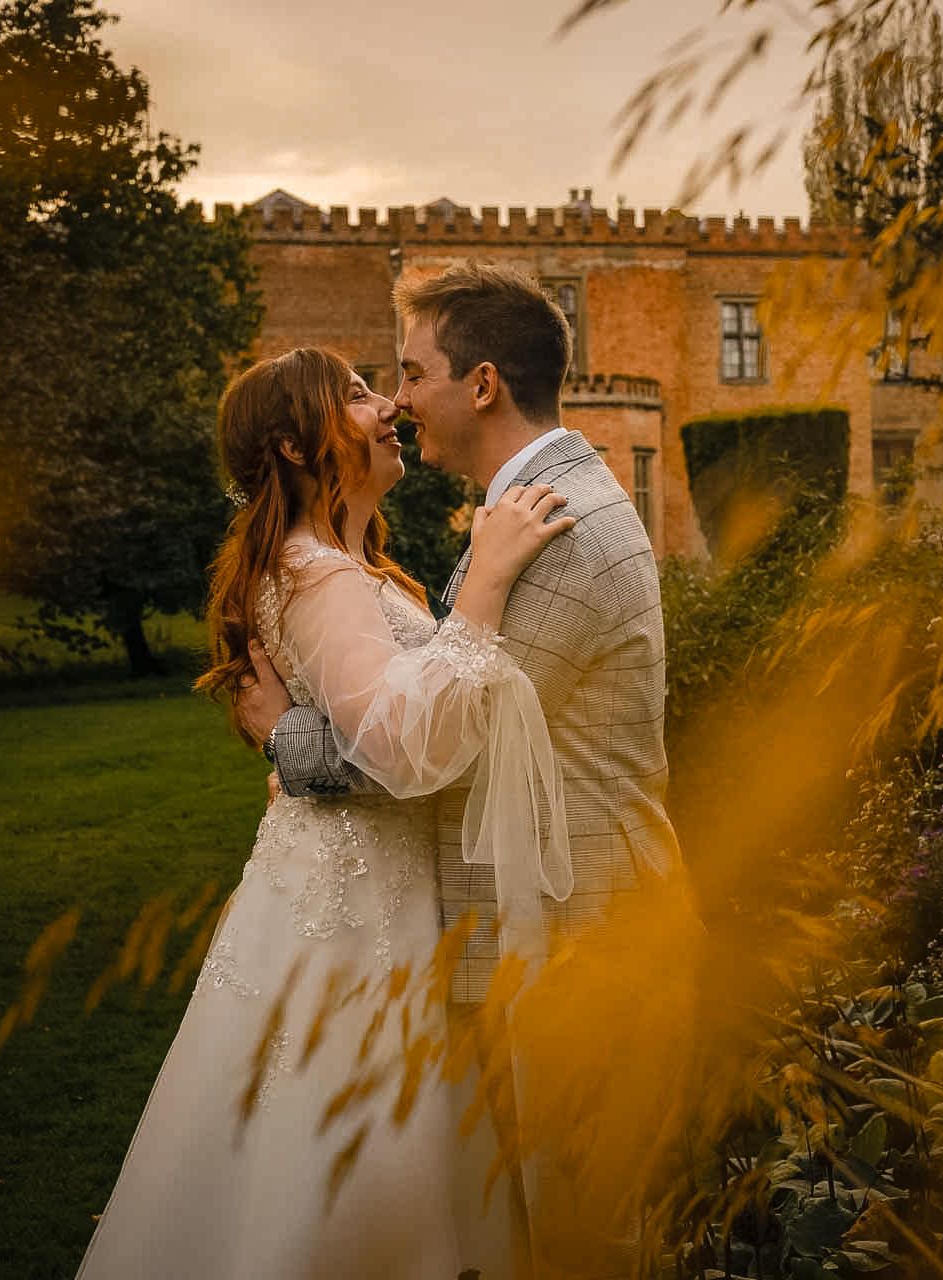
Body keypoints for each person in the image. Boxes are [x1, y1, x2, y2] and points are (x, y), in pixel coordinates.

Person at [74, 345, 575, 1280]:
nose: (388, 404)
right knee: (350, 1167)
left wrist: (291, 744)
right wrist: (487, 585)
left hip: (355, 885)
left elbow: (366, 723)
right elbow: (399, 744)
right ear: (296, 447)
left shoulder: (347, 566)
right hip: (356, 915)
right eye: (353, 396)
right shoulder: (318, 574)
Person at [238, 263, 682, 1278]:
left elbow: (447, 740)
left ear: (480, 383)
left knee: (582, 1244)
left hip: (585, 944)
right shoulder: (528, 505)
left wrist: (288, 740)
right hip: (540, 937)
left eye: (410, 371)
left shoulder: (555, 528)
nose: (396, 399)